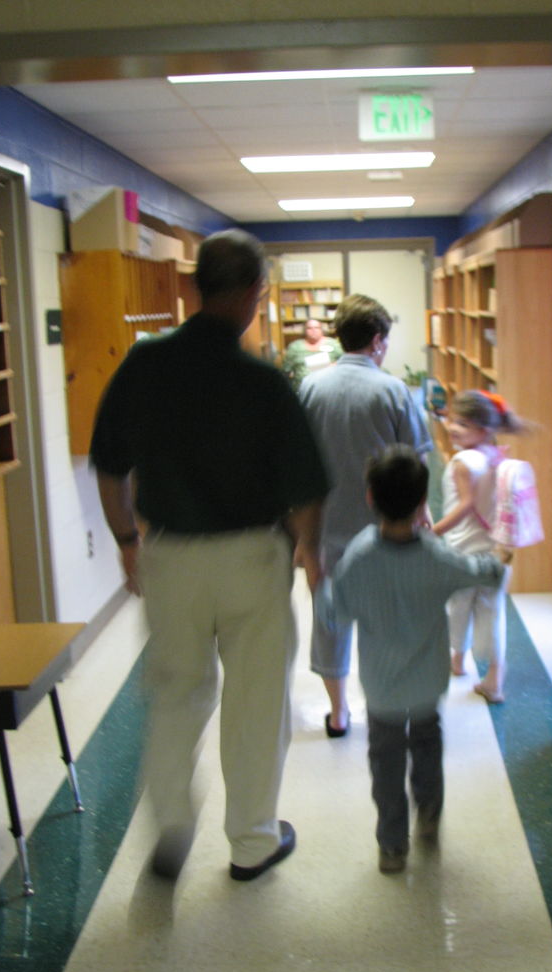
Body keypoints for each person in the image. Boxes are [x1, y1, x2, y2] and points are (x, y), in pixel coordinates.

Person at [90, 228, 329, 884]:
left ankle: (171, 821)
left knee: (175, 693)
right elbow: (307, 489)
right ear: (254, 293)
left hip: (170, 555)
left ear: (196, 287)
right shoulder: (263, 381)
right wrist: (311, 554)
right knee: (256, 702)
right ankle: (252, 841)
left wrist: (126, 543)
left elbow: (109, 468)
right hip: (252, 557)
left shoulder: (142, 365)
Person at [316, 445, 505, 873]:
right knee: (427, 747)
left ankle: (392, 846)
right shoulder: (437, 556)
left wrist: (318, 585)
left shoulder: (359, 559)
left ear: (369, 497)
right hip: (427, 683)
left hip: (382, 689)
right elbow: (477, 572)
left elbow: (335, 615)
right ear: (423, 502)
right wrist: (499, 565)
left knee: (385, 763)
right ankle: (430, 817)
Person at [299, 293, 432, 738]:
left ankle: (338, 714)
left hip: (325, 528)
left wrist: (301, 536)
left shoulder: (311, 387)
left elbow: (297, 463)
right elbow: (416, 460)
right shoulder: (393, 390)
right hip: (385, 528)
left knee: (331, 619)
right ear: (377, 340)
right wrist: (422, 510)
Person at [433, 389, 527, 704]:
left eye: (463, 424)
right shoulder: (498, 455)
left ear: (483, 429)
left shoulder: (462, 461)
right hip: (496, 552)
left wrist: (435, 530)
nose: (453, 428)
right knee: (492, 612)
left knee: (458, 607)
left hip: (462, 552)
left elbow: (466, 505)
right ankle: (494, 679)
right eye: (452, 420)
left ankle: (457, 661)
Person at [282, 318, 343, 390]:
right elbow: (286, 371)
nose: (313, 331)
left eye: (316, 328)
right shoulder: (295, 347)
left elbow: (345, 363)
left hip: (327, 389)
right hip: (301, 389)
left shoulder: (334, 344)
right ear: (305, 331)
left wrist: (333, 365)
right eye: (309, 328)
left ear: (322, 330)